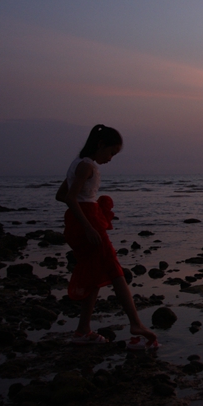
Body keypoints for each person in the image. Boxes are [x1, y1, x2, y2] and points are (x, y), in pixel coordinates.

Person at [56, 125, 159, 349]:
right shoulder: (86, 166)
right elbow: (71, 198)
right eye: (111, 152)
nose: (111, 158)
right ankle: (136, 324)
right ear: (100, 145)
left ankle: (83, 330)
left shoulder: (77, 163)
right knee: (115, 271)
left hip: (80, 221)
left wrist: (88, 207)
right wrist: (88, 225)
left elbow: (60, 196)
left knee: (95, 273)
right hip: (88, 223)